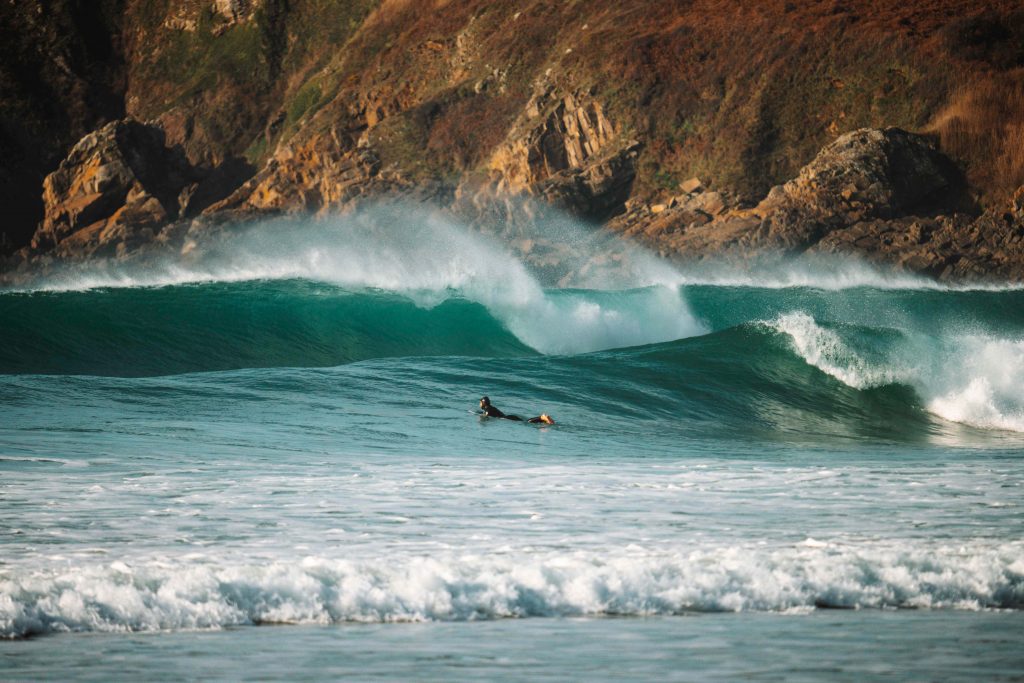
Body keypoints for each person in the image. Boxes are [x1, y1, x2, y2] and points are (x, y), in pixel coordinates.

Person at [479, 396, 555, 424]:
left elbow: (487, 415)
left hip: (507, 418)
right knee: (526, 421)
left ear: (483, 403)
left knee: (526, 422)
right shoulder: (491, 407)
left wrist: (483, 416)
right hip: (508, 416)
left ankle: (542, 417)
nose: (479, 404)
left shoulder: (487, 408)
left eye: (480, 402)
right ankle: (543, 419)